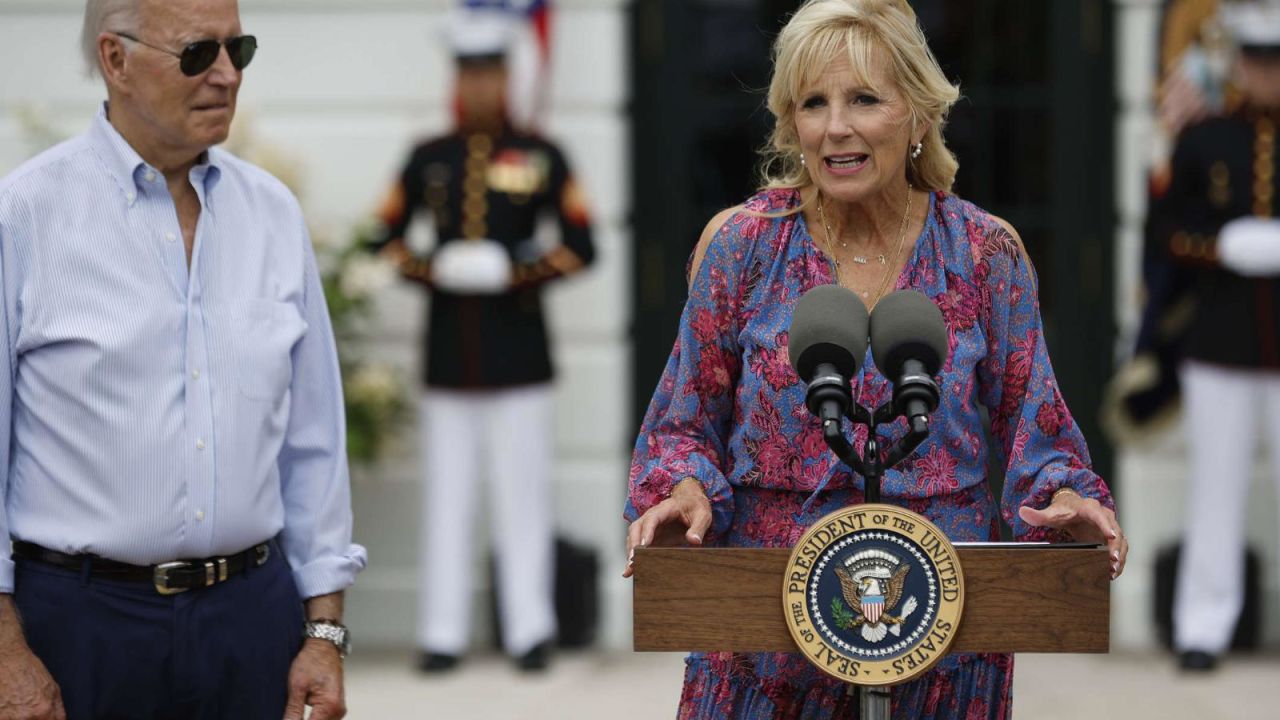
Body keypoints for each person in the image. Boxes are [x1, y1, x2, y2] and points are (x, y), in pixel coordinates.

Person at [622, 1, 1127, 717]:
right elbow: (681, 426)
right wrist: (682, 489)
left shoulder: (986, 254)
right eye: (813, 102)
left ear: (919, 114)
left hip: (943, 626)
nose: (835, 128)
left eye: (864, 99)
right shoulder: (740, 246)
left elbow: (1035, 433)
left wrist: (1066, 497)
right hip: (765, 631)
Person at [0, 1, 366, 718]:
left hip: (251, 620)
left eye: (240, 50)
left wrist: (324, 633)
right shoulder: (24, 216)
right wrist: (6, 651)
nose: (227, 76)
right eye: (199, 53)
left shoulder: (272, 214)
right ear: (116, 60)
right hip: (80, 627)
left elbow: (314, 448)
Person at [371, 8, 595, 673]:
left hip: (521, 354)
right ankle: (441, 633)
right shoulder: (425, 157)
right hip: (447, 355)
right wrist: (431, 268)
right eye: (466, 75)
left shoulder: (542, 154)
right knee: (448, 496)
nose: (477, 89)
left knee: (523, 494)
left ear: (507, 78)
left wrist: (516, 270)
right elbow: (383, 237)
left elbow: (583, 244)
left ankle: (530, 630)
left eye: (489, 74)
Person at [1144, 0, 1280, 673]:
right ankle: (1204, 625)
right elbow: (1167, 231)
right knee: (1215, 488)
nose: (1266, 73)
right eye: (1257, 59)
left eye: (1275, 61)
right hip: (1220, 344)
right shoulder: (1205, 137)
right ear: (1238, 63)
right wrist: (1221, 244)